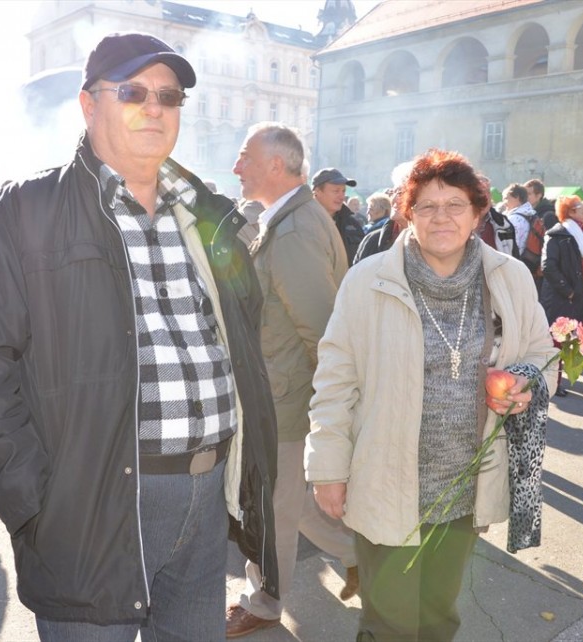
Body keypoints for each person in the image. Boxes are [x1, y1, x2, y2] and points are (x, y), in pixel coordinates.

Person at [0, 33, 278, 640]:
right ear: (89, 104)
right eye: (133, 92)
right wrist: (39, 507)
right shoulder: (24, 211)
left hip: (207, 497)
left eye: (169, 96)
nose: (154, 107)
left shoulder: (206, 213)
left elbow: (243, 347)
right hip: (88, 511)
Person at [305, 148, 556, 641]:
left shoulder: (509, 277)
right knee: (389, 622)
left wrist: (523, 382)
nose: (442, 217)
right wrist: (328, 468)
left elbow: (542, 353)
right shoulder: (368, 281)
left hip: (464, 487)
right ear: (408, 214)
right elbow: (335, 381)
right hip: (385, 482)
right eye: (427, 206)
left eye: (455, 204)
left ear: (478, 213)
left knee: (440, 615)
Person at [227, 122, 355, 638]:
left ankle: (264, 602)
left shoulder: (296, 228)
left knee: (272, 508)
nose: (236, 167)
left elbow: (323, 333)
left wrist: (333, 417)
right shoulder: (290, 218)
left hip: (287, 400)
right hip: (284, 394)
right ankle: (364, 556)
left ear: (275, 165)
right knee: (296, 501)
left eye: (245, 157)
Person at [539, 196, 583, 396]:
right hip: (561, 298)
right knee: (555, 343)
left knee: (569, 343)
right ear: (571, 212)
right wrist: (569, 291)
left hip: (578, 298)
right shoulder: (557, 235)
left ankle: (558, 382)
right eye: (581, 207)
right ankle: (552, 384)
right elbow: (548, 267)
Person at [312, 168, 365, 266]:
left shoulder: (352, 224)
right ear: (318, 191)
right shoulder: (303, 221)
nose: (341, 196)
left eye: (343, 191)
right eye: (336, 191)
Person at [502, 183, 544, 285]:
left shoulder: (514, 219)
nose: (504, 202)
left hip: (514, 269)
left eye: (506, 198)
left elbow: (508, 248)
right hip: (530, 264)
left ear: (517, 197)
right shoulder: (531, 214)